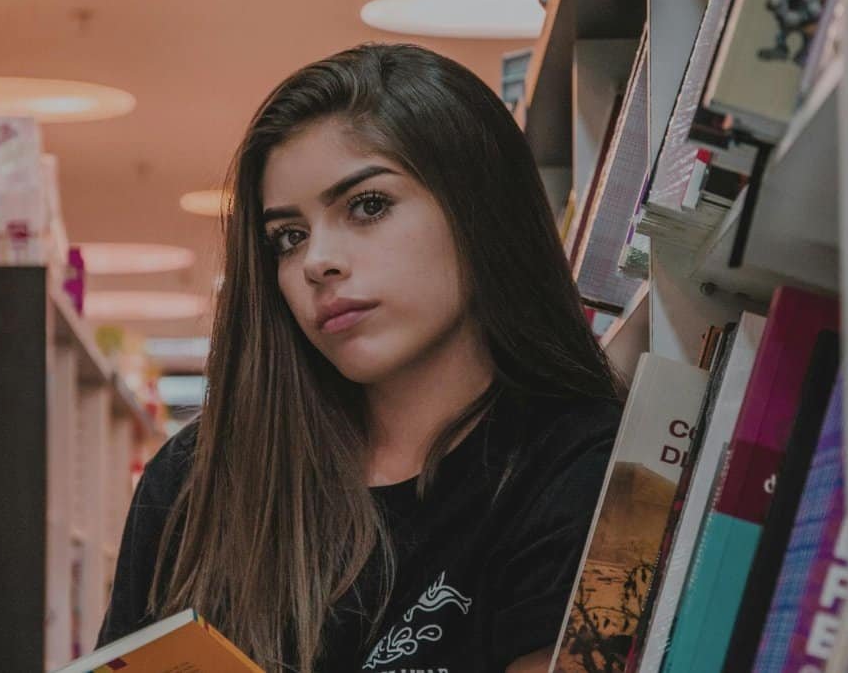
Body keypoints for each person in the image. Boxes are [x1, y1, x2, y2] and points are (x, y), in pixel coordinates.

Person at [99, 43, 624, 673]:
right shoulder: (198, 480)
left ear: (477, 207)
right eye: (288, 238)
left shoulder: (584, 467)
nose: (317, 261)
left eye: (367, 205)